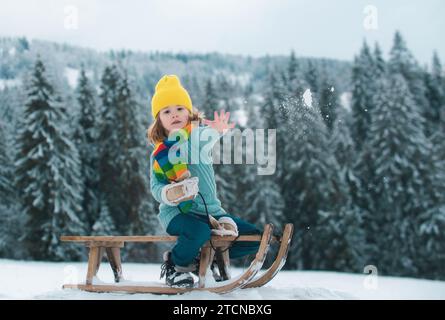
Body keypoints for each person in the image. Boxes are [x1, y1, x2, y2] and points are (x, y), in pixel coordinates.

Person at [147, 75, 261, 288]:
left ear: (189, 112)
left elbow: (208, 136)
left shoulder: (198, 138)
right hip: (178, 214)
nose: (174, 115)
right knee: (199, 231)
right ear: (159, 119)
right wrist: (169, 194)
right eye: (167, 111)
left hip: (212, 213)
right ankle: (175, 264)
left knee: (253, 237)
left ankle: (207, 257)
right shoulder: (160, 153)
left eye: (180, 108)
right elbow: (156, 187)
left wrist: (218, 129)